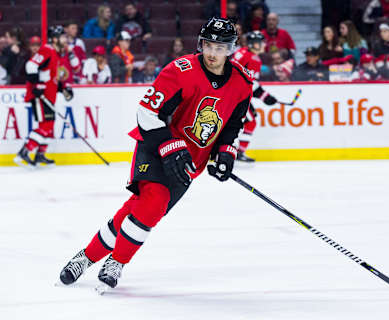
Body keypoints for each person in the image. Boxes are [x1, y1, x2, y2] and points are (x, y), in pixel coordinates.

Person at [58, 17, 254, 292]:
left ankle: (85, 257)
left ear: (230, 50)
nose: (212, 53)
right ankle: (117, 261)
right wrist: (170, 147)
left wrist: (226, 154)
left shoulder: (242, 83)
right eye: (208, 45)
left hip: (190, 161)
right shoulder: (181, 70)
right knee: (154, 202)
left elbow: (233, 125)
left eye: (220, 48)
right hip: (156, 146)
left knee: (139, 210)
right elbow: (147, 113)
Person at [14, 26, 74, 167]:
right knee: (45, 125)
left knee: (50, 126)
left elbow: (50, 76)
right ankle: (24, 152)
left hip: (49, 95)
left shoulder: (56, 53)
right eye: (62, 37)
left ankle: (40, 155)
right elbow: (30, 65)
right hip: (41, 96)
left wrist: (62, 88)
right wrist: (37, 86)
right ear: (54, 38)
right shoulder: (47, 50)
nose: (65, 40)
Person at [231, 31, 279, 162]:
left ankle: (234, 151)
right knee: (250, 121)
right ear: (254, 44)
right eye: (261, 42)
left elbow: (249, 82)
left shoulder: (244, 54)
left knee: (248, 120)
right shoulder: (252, 58)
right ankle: (237, 152)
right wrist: (265, 97)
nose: (264, 45)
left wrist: (264, 96)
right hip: (235, 97)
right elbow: (248, 83)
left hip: (235, 95)